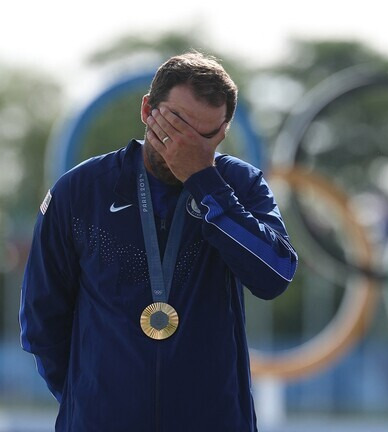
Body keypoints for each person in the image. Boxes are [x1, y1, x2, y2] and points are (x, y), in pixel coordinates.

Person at [19, 51, 298, 431]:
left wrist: (204, 180)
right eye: (177, 124)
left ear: (224, 132)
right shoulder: (81, 190)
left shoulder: (239, 184)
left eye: (205, 136)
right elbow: (41, 319)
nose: (186, 145)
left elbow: (274, 274)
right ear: (148, 109)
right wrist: (91, 397)